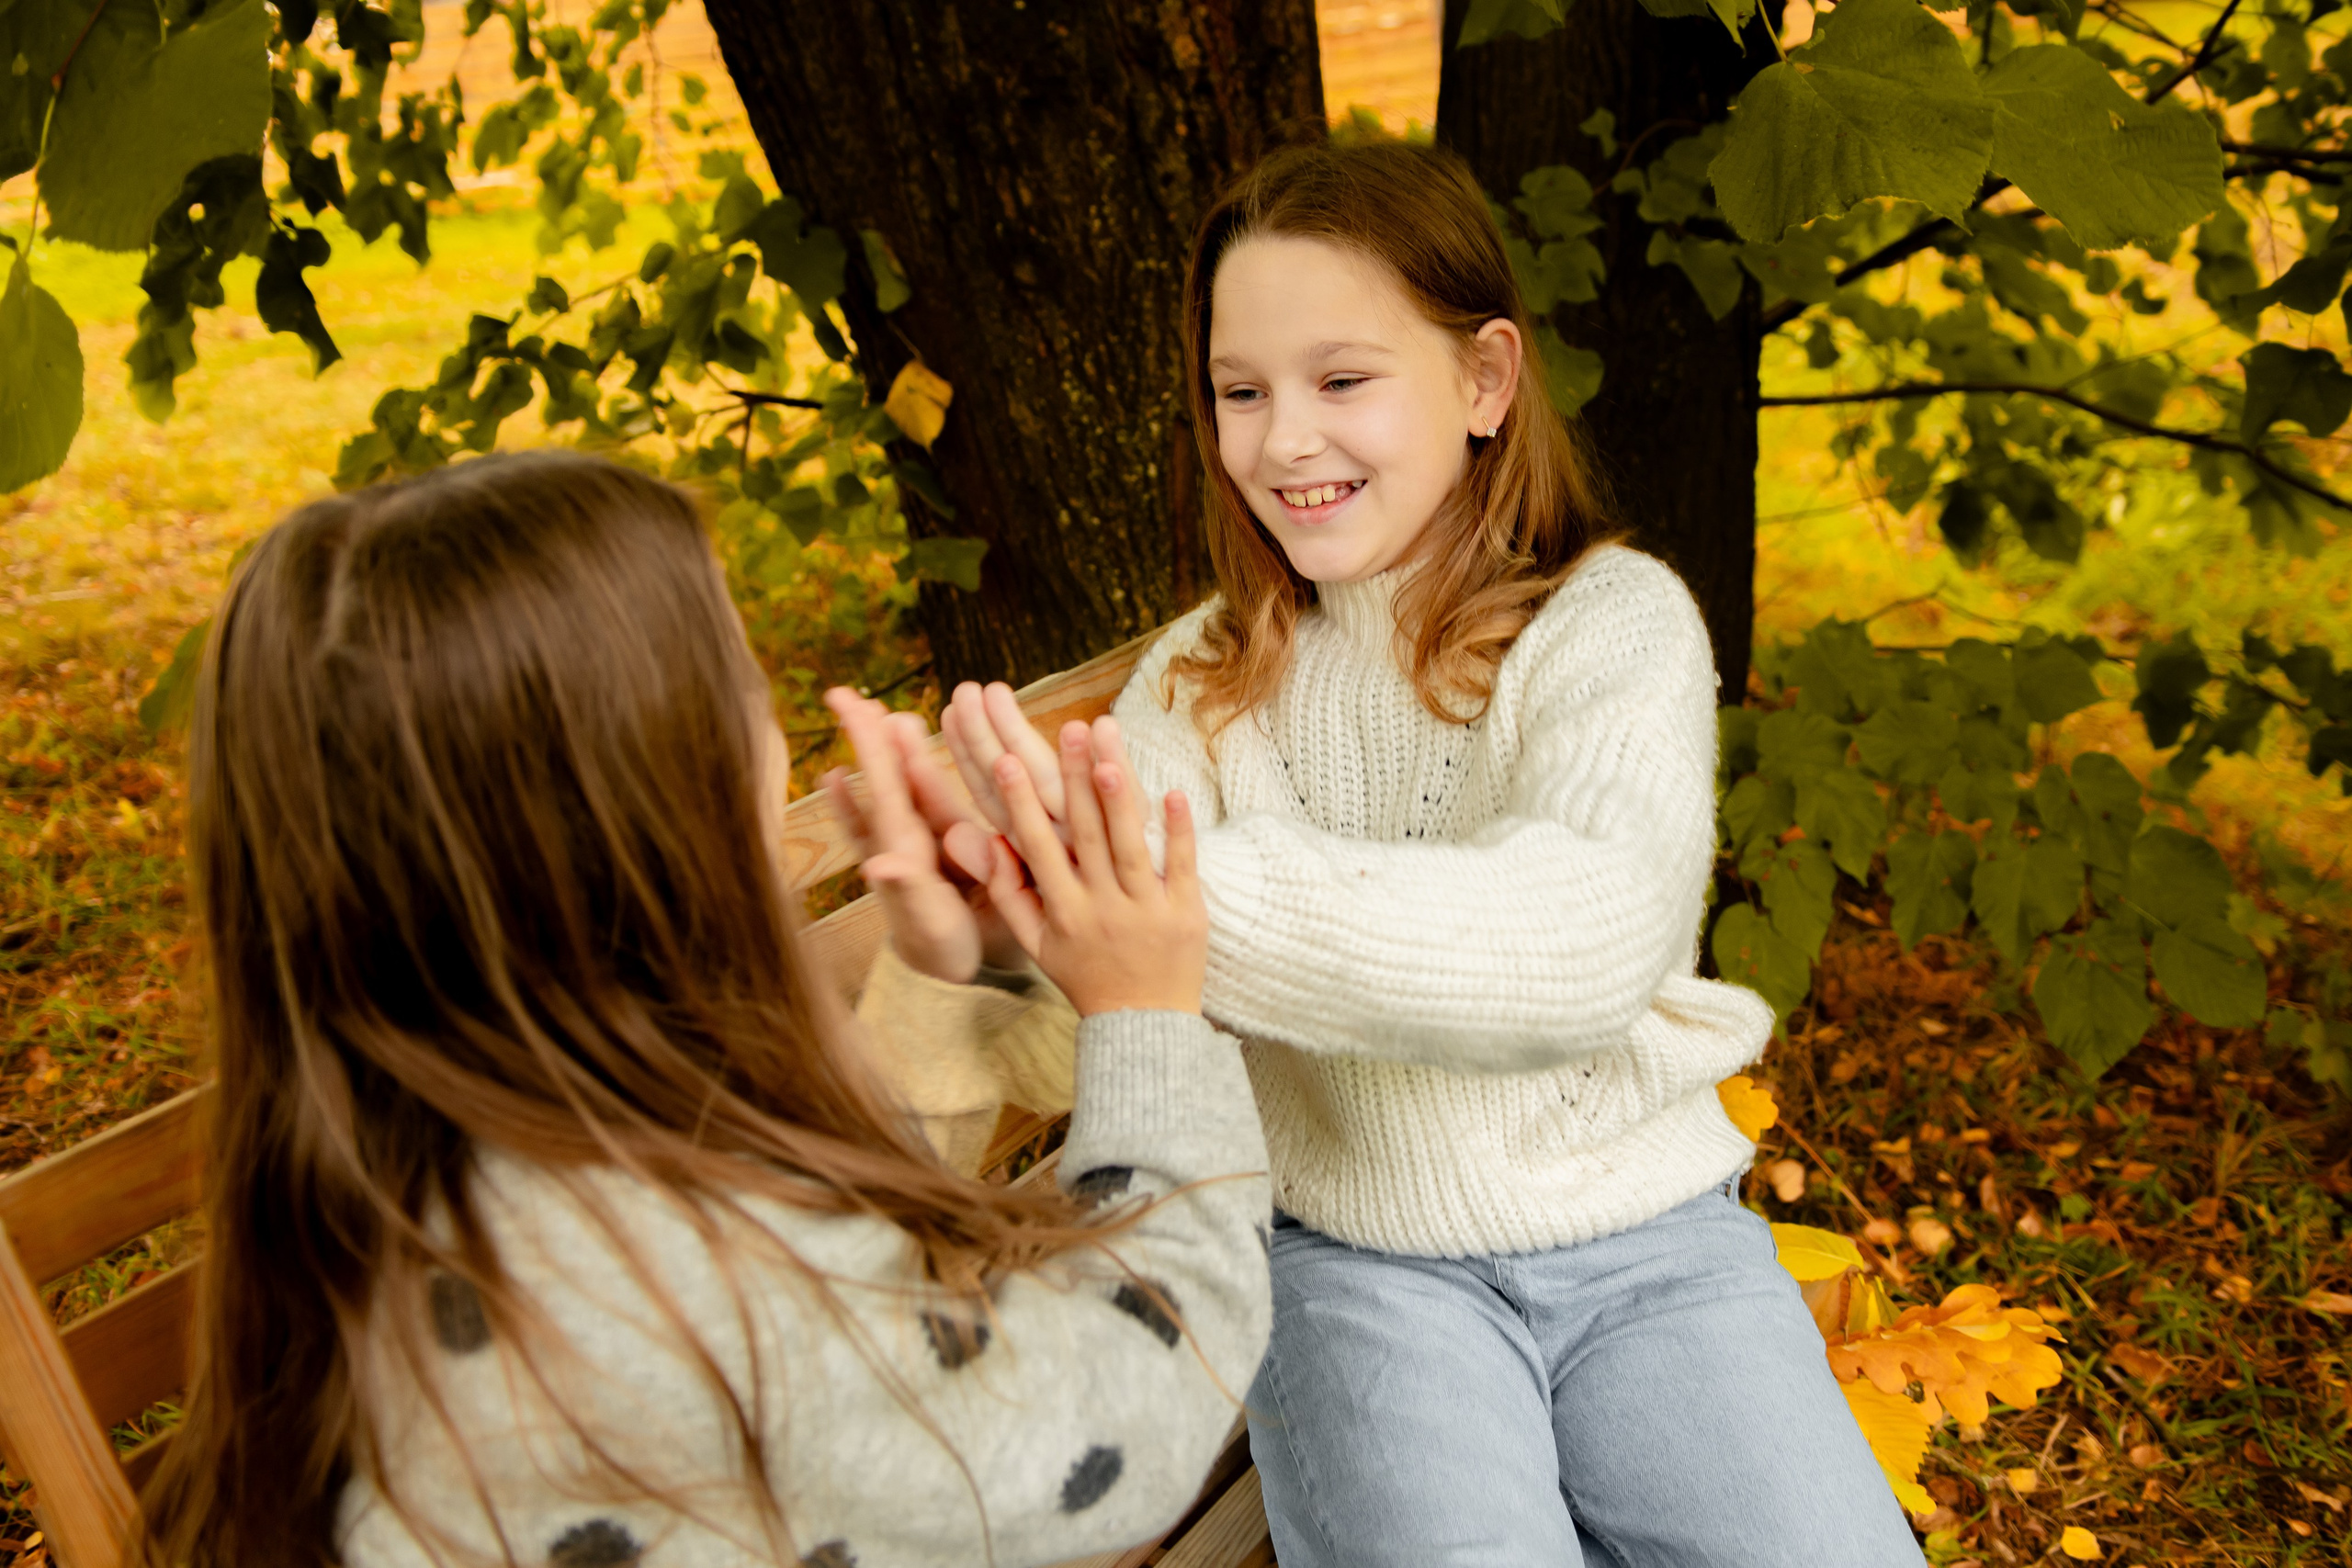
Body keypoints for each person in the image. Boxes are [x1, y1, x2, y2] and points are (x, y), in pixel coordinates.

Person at [939, 141, 1926, 1567]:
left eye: (1342, 380)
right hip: (1352, 1267)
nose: (1284, 440)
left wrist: (1150, 898)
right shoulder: (1191, 688)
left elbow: (1579, 939)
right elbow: (1109, 1019)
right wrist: (991, 914)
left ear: (1484, 381)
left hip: (1649, 1246)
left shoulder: (1611, 625)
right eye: (1241, 390)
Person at [137, 451, 1271, 1568]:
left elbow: (835, 1302)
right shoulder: (666, 1286)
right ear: (641, 802)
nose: (776, 738)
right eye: (738, 681)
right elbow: (1137, 1411)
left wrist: (943, 979)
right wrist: (1149, 1018)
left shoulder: (421, 1161)